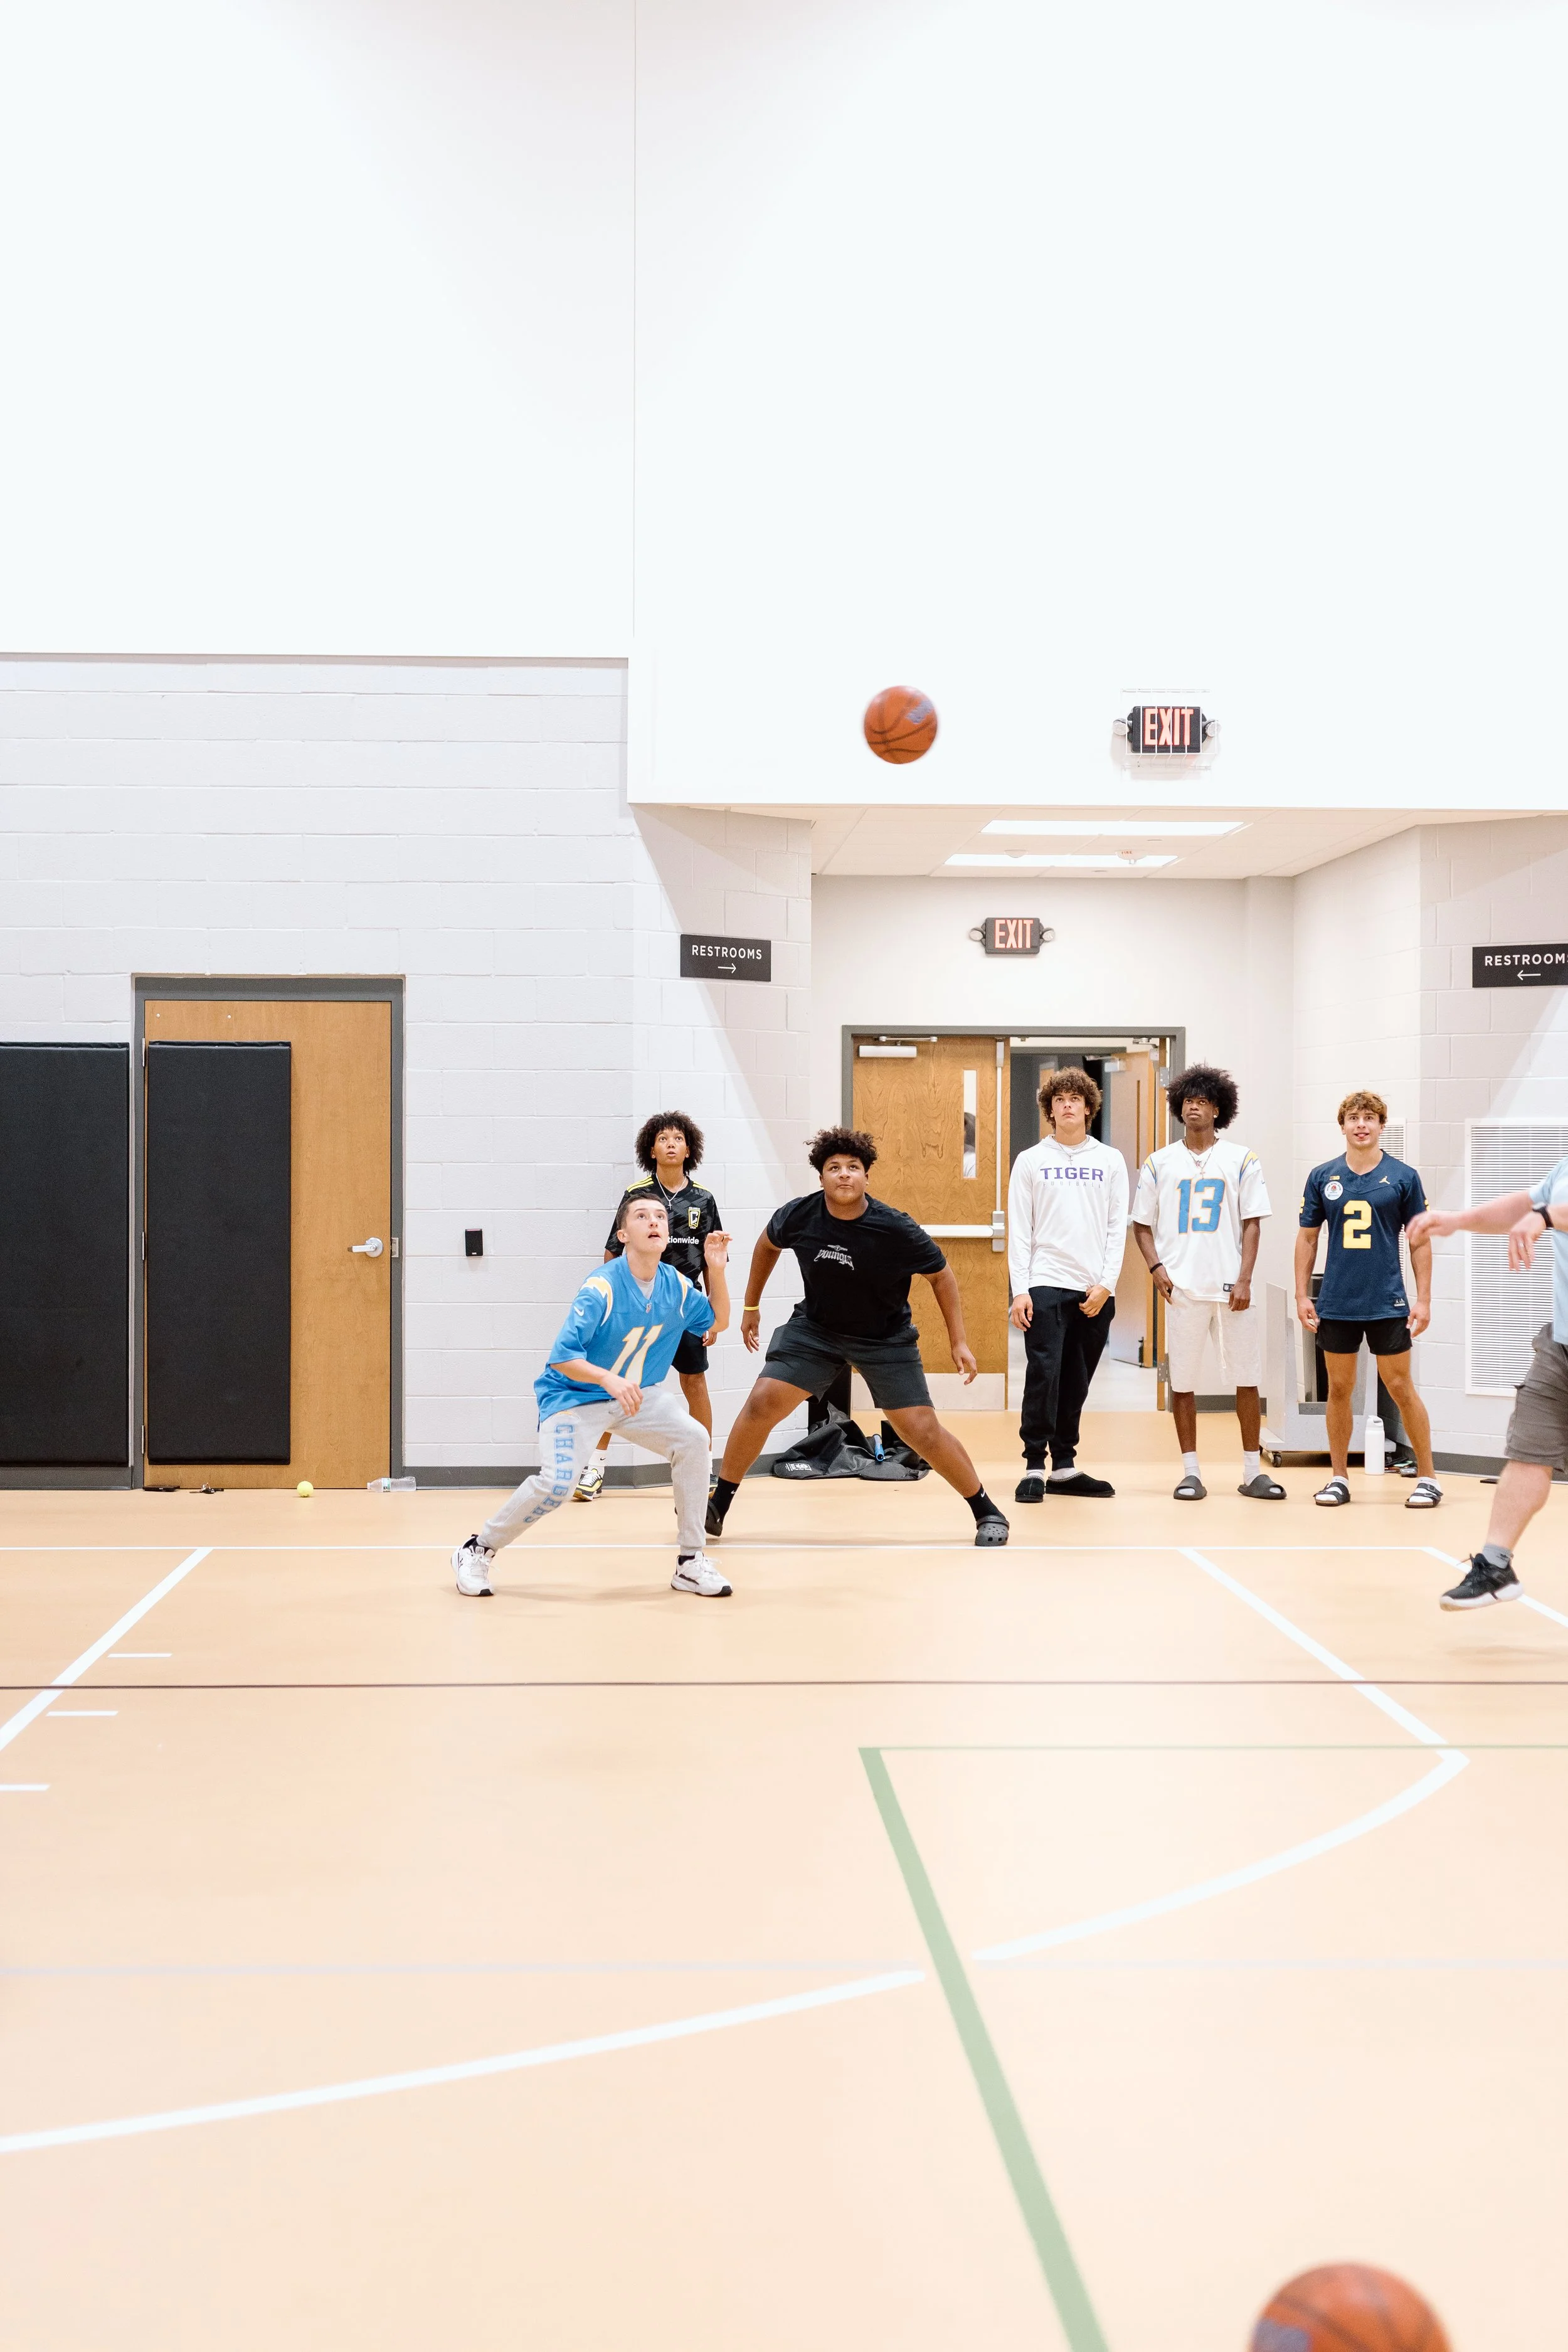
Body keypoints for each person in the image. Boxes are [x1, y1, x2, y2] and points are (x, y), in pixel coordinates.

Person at [703, 1126, 1009, 1547]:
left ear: (867, 1176)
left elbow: (942, 1277)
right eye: (834, 1168)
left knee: (920, 1430)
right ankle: (719, 1502)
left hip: (885, 1339)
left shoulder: (895, 1227)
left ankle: (986, 1509)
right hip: (816, 1330)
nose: (844, 1175)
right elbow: (766, 1246)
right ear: (821, 1177)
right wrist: (751, 1307)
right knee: (761, 1403)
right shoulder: (800, 1215)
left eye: (853, 1168)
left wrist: (958, 1341)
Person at [451, 1194, 732, 1598]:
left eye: (660, 1216)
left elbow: (719, 1320)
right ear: (624, 1235)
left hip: (635, 1396)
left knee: (693, 1440)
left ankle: (690, 1562)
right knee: (558, 1485)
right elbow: (563, 1358)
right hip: (575, 1396)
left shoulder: (676, 1285)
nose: (653, 1221)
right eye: (641, 1216)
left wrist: (716, 1269)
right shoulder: (601, 1287)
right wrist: (610, 1380)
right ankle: (477, 1550)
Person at [1409, 1152, 1568, 1606]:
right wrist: (1458, 1220)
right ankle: (1496, 1567)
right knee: (1527, 1453)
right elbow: (1523, 1207)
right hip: (1561, 1343)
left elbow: (1543, 1214)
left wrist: (1545, 1217)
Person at [1130, 1062, 1284, 1500]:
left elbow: (1253, 1223)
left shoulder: (1242, 1159)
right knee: (1182, 1382)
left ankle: (1253, 1472)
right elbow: (1141, 1225)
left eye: (1201, 1101)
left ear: (1218, 1109)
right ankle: (1191, 1472)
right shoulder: (1159, 1163)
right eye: (1187, 1101)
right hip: (1182, 1290)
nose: (1193, 1107)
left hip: (1231, 1288)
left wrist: (1245, 1279)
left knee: (1247, 1378)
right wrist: (1157, 1269)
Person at [1295, 1090, 1439, 1510]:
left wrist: (1424, 1299)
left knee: (1400, 1386)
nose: (1362, 1125)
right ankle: (1339, 1478)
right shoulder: (1324, 1176)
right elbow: (1307, 1238)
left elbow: (1420, 1242)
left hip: (1387, 1301)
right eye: (1354, 1118)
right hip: (1337, 1301)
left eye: (1370, 1118)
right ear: (1342, 1126)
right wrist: (1303, 1294)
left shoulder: (1403, 1176)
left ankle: (1429, 1478)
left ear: (1381, 1125)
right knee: (1339, 1389)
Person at [575, 1111, 724, 1501]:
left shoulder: (703, 1199)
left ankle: (703, 1465)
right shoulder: (637, 1195)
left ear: (689, 1148)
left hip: (685, 1308)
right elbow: (612, 1250)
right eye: (663, 1138)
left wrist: (711, 1309)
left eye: (678, 1138)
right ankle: (594, 1470)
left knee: (696, 1384)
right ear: (651, 1149)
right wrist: (616, 1304)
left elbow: (713, 1259)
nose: (671, 1143)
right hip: (641, 1309)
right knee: (620, 1385)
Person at [1006, 1066, 1127, 1501]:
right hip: (1045, 1283)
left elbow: (1118, 1227)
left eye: (1076, 1099)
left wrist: (1107, 1283)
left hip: (1093, 1289)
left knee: (1077, 1379)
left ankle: (1065, 1466)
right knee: (1044, 1373)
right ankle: (1035, 1466)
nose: (1068, 1105)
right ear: (1050, 1111)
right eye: (1060, 1100)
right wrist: (1020, 1288)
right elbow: (1020, 1229)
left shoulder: (1109, 1161)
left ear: (1089, 1108)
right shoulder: (1032, 1161)